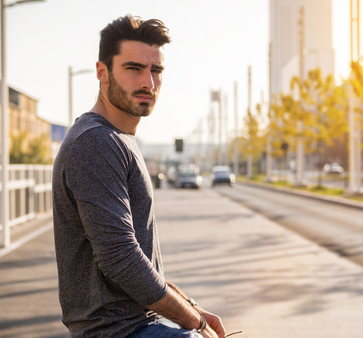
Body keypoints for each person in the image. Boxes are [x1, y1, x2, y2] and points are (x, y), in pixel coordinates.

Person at [52, 14, 226, 338]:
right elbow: (122, 259)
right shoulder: (95, 142)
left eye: (156, 70)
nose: (148, 82)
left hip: (138, 325)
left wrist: (190, 306)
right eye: (134, 68)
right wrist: (195, 323)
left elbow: (141, 260)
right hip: (118, 331)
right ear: (102, 72)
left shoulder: (118, 139)